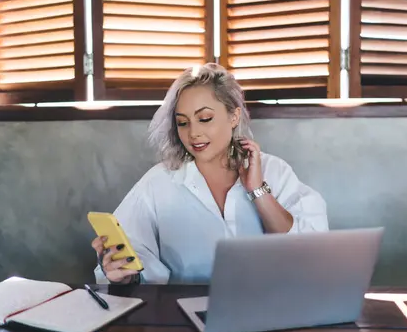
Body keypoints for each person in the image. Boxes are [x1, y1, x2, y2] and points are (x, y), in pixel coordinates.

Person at [91, 63, 328, 285]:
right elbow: (136, 260)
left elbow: (310, 252)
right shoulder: (158, 182)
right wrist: (120, 272)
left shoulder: (275, 171)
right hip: (184, 314)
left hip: (270, 310)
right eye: (183, 123)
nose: (194, 133)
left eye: (205, 119)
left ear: (233, 116)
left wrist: (258, 191)